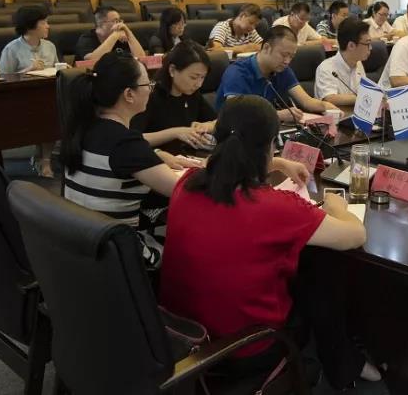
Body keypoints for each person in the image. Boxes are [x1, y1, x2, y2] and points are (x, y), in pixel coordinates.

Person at [158, 96, 380, 389]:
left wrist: (277, 163)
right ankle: (342, 361)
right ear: (272, 143)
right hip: (247, 346)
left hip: (181, 338)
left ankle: (344, 361)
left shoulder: (186, 182)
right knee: (323, 265)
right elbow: (355, 235)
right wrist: (336, 205)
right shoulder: (275, 207)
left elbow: (222, 166)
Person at [59, 53, 204, 266]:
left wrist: (155, 155)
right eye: (148, 84)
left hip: (81, 246)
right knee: (200, 254)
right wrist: (207, 167)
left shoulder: (85, 128)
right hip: (117, 255)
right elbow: (184, 189)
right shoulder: (126, 144)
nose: (151, 89)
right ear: (129, 94)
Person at [215, 25, 338, 121]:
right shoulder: (237, 72)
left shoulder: (282, 69)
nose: (287, 61)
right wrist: (278, 115)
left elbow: (306, 101)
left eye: (291, 56)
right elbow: (237, 114)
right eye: (284, 55)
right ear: (267, 48)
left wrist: (325, 106)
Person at [0, 5, 60, 177]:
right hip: (20, 99)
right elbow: (3, 79)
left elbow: (55, 68)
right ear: (30, 26)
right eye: (44, 22)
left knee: (53, 112)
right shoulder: (11, 49)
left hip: (47, 95)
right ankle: (39, 157)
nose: (48, 26)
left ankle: (45, 160)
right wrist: (26, 71)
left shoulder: (50, 46)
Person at [132, 41, 219, 157]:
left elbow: (218, 120)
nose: (199, 84)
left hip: (189, 156)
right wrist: (175, 132)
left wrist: (207, 126)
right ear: (172, 70)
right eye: (193, 77)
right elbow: (133, 139)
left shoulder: (192, 93)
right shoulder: (150, 96)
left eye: (203, 77)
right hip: (157, 159)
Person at [315, 17, 371, 106]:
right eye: (367, 44)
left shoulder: (358, 63)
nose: (370, 48)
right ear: (351, 46)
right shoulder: (326, 68)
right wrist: (365, 97)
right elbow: (330, 98)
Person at [75, 6, 147, 62]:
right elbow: (92, 61)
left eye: (120, 21)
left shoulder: (122, 37)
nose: (120, 24)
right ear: (101, 23)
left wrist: (128, 32)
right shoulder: (86, 39)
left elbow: (142, 58)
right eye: (115, 21)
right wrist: (114, 35)